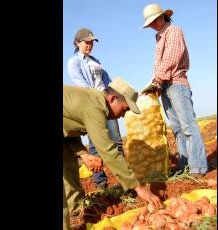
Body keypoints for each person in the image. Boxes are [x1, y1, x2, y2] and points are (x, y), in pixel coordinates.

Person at [63, 77, 162, 230]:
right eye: (124, 109)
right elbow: (108, 151)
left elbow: (68, 129)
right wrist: (139, 187)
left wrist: (83, 153)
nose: (123, 115)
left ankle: (74, 218)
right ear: (113, 98)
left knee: (68, 168)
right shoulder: (94, 106)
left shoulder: (92, 101)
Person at [141, 3, 208, 178]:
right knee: (177, 128)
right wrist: (156, 83)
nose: (153, 24)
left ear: (163, 16)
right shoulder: (159, 37)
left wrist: (157, 79)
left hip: (177, 83)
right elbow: (161, 65)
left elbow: (172, 58)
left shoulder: (173, 31)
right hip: (165, 85)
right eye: (151, 23)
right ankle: (185, 165)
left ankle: (198, 167)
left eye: (155, 20)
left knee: (188, 125)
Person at [67, 28, 123, 190]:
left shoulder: (96, 60)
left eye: (92, 42)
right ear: (78, 43)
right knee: (95, 144)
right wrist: (97, 98)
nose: (90, 45)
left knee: (116, 140)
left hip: (107, 103)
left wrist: (117, 95)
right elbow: (82, 85)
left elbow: (108, 82)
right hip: (92, 105)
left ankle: (122, 178)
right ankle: (100, 182)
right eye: (87, 42)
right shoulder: (74, 62)